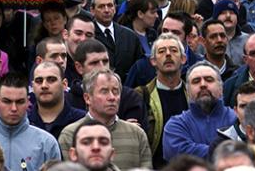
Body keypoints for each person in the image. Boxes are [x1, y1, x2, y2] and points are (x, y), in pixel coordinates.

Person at [0, 73, 61, 171]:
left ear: (28, 102)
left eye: (20, 102)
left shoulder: (47, 143)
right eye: (7, 101)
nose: (14, 108)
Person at [58, 69, 152, 170]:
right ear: (87, 98)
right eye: (104, 92)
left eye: (115, 92)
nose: (112, 97)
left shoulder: (137, 134)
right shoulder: (69, 134)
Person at [162, 61, 236, 160]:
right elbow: (178, 156)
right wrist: (226, 152)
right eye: (196, 81)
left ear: (221, 88)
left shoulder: (237, 119)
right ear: (187, 91)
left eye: (209, 80)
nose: (203, 84)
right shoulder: (176, 125)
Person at [135, 32, 188, 168]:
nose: (168, 54)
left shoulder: (194, 95)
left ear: (183, 59)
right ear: (153, 61)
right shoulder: (141, 95)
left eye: (174, 50)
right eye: (162, 51)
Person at [69, 39, 147, 124]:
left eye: (105, 61)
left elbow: (134, 134)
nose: (102, 67)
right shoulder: (68, 100)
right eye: (94, 63)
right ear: (79, 67)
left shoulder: (130, 98)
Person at [91, 0, 143, 80]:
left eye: (110, 5)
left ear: (115, 8)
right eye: (101, 6)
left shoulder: (129, 36)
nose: (107, 10)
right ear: (92, 11)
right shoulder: (89, 35)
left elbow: (138, 66)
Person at [29, 61, 85, 138]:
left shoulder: (82, 121)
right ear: (33, 87)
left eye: (51, 80)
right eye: (39, 81)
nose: (44, 85)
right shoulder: (23, 123)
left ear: (64, 84)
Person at [212, 1, 249, 67]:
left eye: (232, 13)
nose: (228, 16)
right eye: (223, 13)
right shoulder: (207, 40)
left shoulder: (248, 40)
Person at [64, 15, 95, 85]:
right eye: (78, 33)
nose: (83, 39)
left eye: (89, 35)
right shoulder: (54, 63)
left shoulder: (97, 64)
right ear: (65, 34)